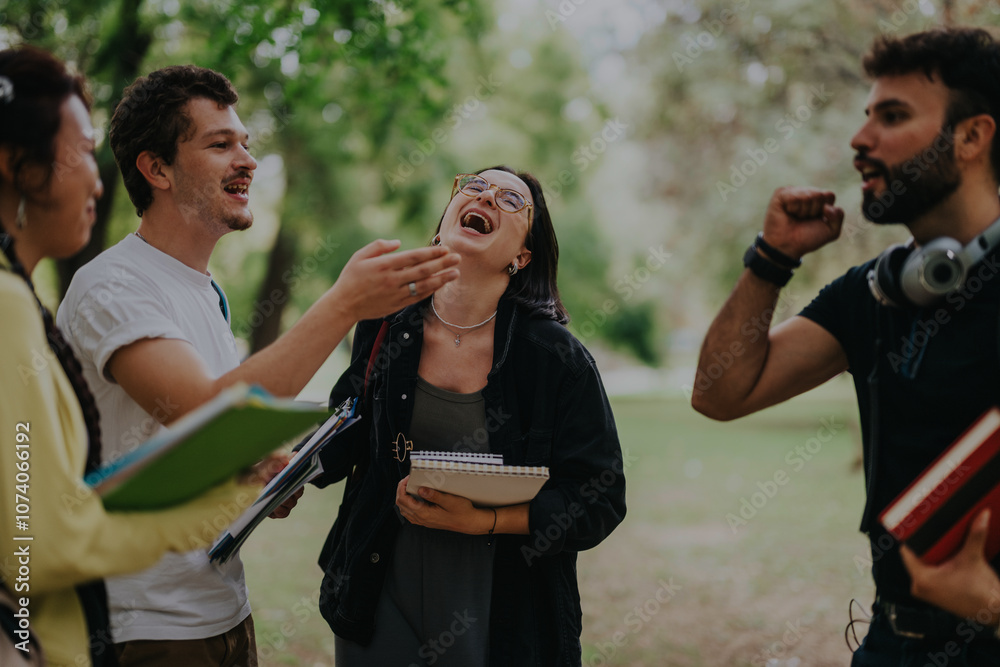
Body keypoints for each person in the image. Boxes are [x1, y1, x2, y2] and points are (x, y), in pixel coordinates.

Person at [55, 65, 460, 667]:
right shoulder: (112, 287)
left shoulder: (203, 292)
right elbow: (207, 410)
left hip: (220, 609)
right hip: (142, 624)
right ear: (157, 168)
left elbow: (190, 442)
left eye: (245, 142)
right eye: (220, 145)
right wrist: (344, 304)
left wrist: (258, 478)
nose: (246, 159)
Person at [692, 27, 1000, 665]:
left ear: (972, 136)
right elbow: (721, 392)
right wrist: (772, 259)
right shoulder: (875, 292)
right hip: (890, 645)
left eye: (893, 117)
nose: (860, 141)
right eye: (867, 118)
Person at [0, 46, 261, 667]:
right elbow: (38, 542)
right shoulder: (15, 302)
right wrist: (212, 498)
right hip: (104, 633)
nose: (96, 179)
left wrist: (241, 478)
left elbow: (68, 490)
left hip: (214, 608)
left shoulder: (22, 298)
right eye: (81, 155)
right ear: (15, 165)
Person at [311, 166, 626, 666]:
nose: (486, 197)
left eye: (509, 199)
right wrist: (289, 474)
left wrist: (486, 521)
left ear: (522, 255)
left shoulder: (556, 359)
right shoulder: (386, 321)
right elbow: (348, 427)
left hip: (500, 602)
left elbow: (600, 498)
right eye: (475, 187)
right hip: (377, 584)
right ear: (443, 224)